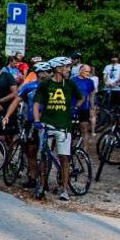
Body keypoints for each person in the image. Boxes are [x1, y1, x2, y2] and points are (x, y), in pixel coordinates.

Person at [32, 59, 83, 200]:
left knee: (64, 158)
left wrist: (75, 108)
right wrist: (37, 120)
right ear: (58, 68)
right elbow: (36, 104)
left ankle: (64, 189)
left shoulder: (70, 84)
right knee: (43, 156)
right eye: (66, 67)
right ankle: (42, 185)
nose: (68, 70)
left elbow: (81, 98)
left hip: (64, 125)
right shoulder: (45, 85)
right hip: (47, 124)